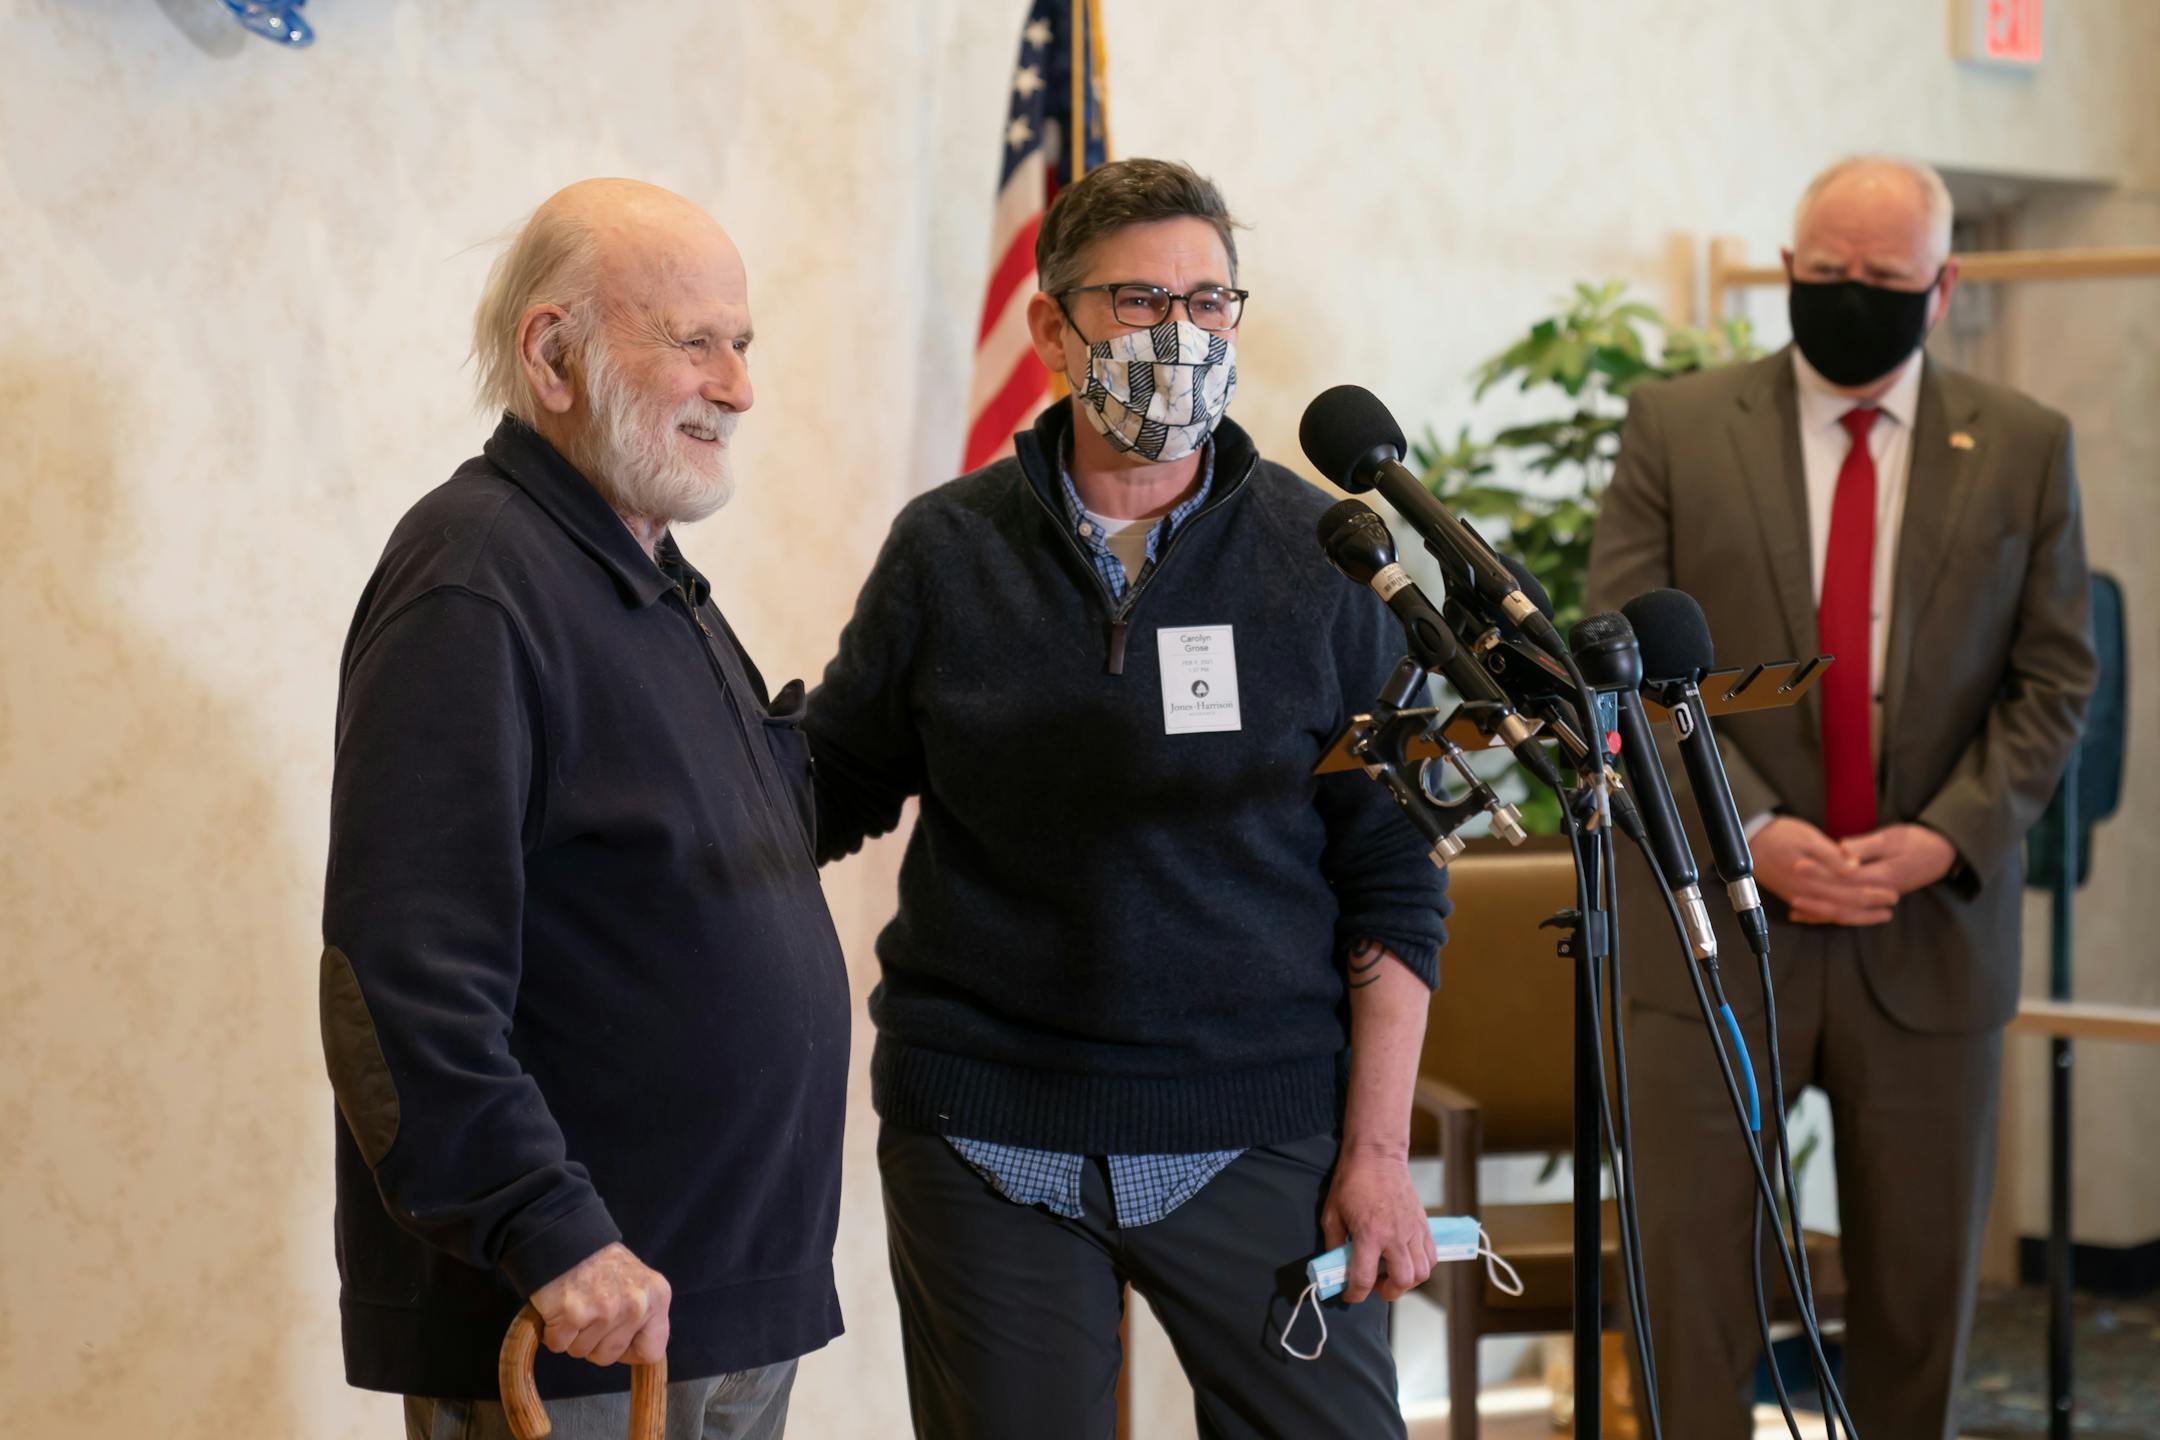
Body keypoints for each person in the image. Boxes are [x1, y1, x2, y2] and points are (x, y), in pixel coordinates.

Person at [804, 157, 1451, 1440]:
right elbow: (832, 785)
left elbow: (1396, 871)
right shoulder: (948, 551)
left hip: (1257, 1127)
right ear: (1051, 329)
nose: (1183, 336)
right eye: (1142, 302)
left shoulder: (1327, 562)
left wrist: (1377, 1157)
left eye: (1211, 305)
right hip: (991, 1131)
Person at [320, 178, 848, 1440]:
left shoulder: (646, 572)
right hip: (577, 1323)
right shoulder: (475, 577)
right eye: (695, 342)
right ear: (552, 355)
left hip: (718, 1310)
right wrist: (548, 1233)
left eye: (745, 343)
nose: (739, 387)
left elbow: (746, 843)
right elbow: (396, 977)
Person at [1588, 154, 2096, 1439]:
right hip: (1710, 926)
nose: (1847, 295)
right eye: (1824, 273)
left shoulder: (2025, 447)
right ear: (1791, 263)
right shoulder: (1677, 425)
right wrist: (1750, 827)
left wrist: (1945, 839)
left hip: (1926, 935)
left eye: (1880, 278)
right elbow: (1620, 660)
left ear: (1943, 285)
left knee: (1920, 1304)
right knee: (1691, 1291)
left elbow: (2053, 681)